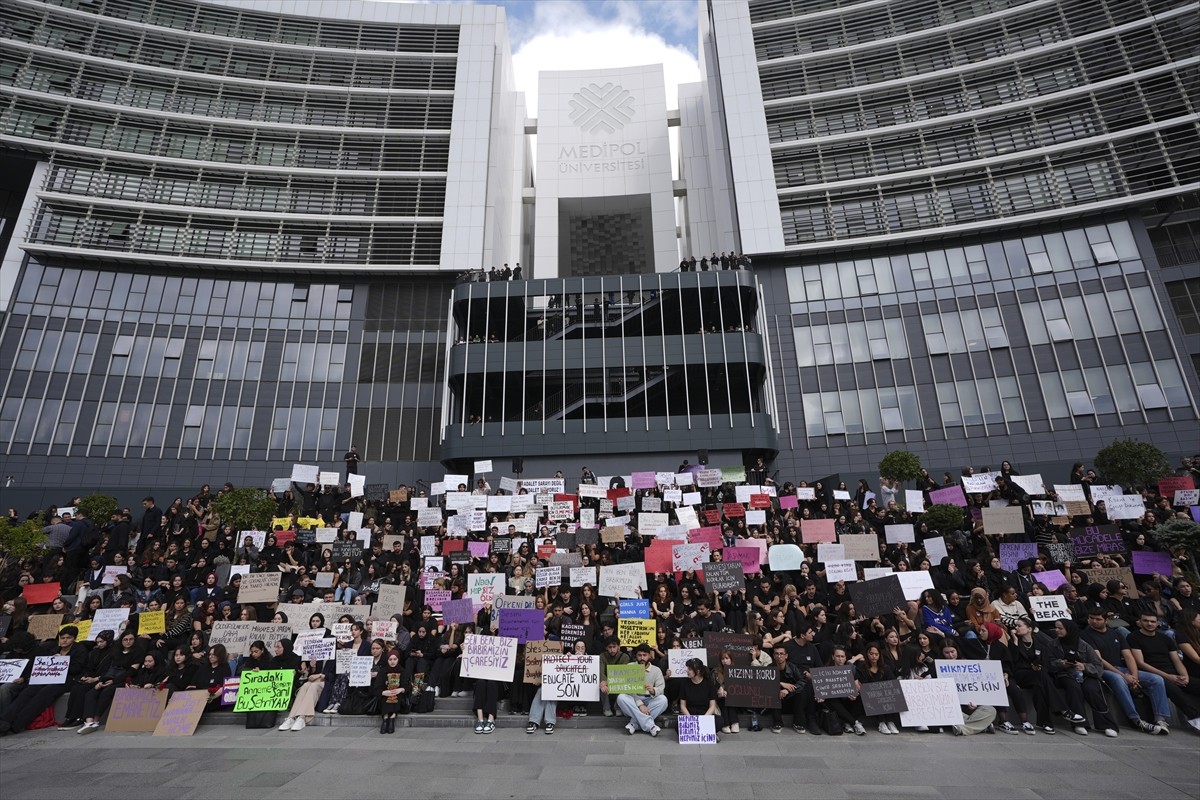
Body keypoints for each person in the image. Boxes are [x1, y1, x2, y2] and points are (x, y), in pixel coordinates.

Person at [0, 626, 86, 736]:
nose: (64, 640)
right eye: (62, 638)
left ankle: (16, 725)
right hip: (48, 677)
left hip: (67, 680)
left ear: (74, 638)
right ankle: (4, 720)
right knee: (28, 692)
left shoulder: (79, 650)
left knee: (44, 694)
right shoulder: (55, 650)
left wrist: (62, 661)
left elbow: (76, 669)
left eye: (68, 638)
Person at [1126, 610, 1200, 732]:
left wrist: (1185, 676)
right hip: (1154, 674)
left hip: (1174, 674)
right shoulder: (1133, 637)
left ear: (1158, 623)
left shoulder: (1165, 638)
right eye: (1145, 621)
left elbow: (1176, 661)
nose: (1149, 624)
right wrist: (1168, 676)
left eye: (1152, 621)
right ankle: (1196, 719)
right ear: (1139, 622)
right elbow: (1141, 663)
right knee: (1174, 690)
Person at [611, 644, 666, 736]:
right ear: (636, 656)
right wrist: (640, 705)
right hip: (633, 700)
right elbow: (627, 688)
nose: (642, 658)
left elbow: (661, 689)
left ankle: (635, 724)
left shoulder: (656, 670)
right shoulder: (630, 666)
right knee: (621, 697)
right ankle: (650, 726)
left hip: (649, 700)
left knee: (663, 700)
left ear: (649, 656)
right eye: (639, 655)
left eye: (644, 655)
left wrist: (653, 690)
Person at [678, 658, 722, 741]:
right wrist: (690, 719)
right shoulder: (684, 683)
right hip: (690, 713)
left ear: (697, 671)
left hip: (705, 713)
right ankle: (703, 732)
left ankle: (707, 732)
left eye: (690, 669)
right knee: (677, 725)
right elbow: (682, 705)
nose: (687, 671)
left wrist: (704, 719)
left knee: (719, 721)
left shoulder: (709, 684)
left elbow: (712, 706)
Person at [373, 648, 407, 734]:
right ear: (387, 660)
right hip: (385, 695)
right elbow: (377, 687)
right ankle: (385, 718)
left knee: (395, 694)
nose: (392, 662)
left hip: (398, 694)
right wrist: (383, 692)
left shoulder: (402, 671)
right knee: (386, 695)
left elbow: (407, 686)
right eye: (390, 659)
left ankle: (391, 717)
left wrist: (401, 689)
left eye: (395, 659)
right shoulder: (382, 671)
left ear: (398, 660)